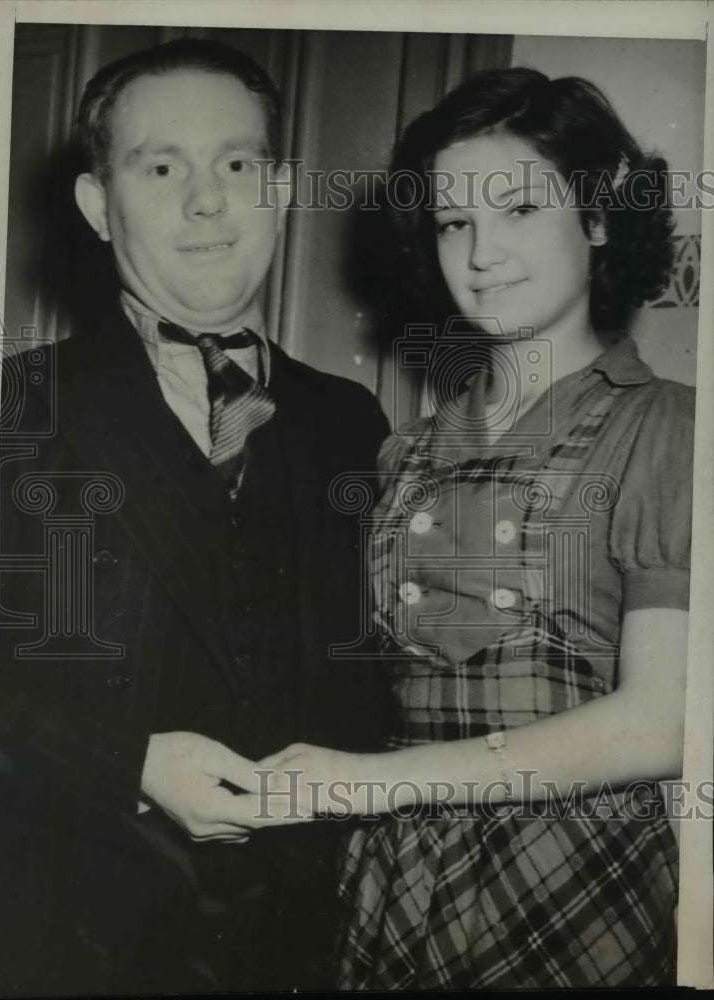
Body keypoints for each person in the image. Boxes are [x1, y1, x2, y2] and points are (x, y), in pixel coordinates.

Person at [261, 68, 693, 988]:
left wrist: (373, 782)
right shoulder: (403, 452)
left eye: (520, 209)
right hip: (393, 879)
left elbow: (660, 724)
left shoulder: (668, 432)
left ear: (598, 218)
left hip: (568, 883)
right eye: (455, 222)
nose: (481, 252)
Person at [0, 38, 389, 996]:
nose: (207, 201)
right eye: (161, 166)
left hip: (311, 945)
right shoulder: (10, 410)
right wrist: (122, 762)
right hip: (67, 937)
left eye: (239, 164)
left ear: (282, 190)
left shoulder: (353, 421)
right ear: (96, 204)